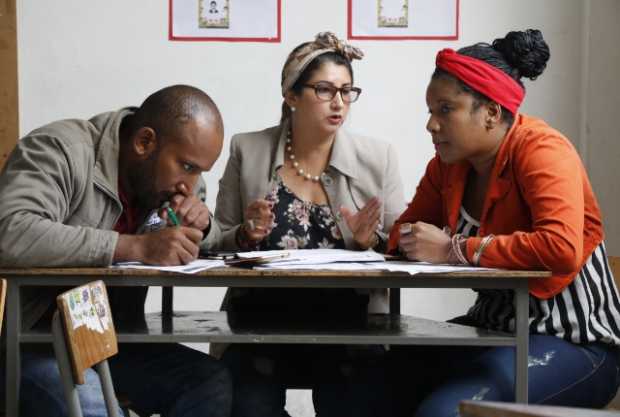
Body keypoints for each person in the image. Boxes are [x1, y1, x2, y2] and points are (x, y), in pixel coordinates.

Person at [387, 29, 620, 416]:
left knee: (443, 412)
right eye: (430, 111)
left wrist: (454, 249)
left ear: (491, 113)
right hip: (492, 333)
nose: (431, 124)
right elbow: (407, 230)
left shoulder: (543, 150)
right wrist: (383, 238)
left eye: (445, 110)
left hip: (575, 341)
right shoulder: (446, 167)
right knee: (359, 384)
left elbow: (560, 249)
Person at [0, 85, 232, 417]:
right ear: (144, 143)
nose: (191, 184)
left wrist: (203, 224)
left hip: (108, 340)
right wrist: (133, 246)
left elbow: (213, 238)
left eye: (199, 172)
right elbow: (10, 233)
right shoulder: (61, 149)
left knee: (210, 382)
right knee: (96, 406)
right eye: (187, 167)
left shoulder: (174, 183)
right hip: (31, 342)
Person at [212, 32, 404, 417]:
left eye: (347, 91)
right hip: (258, 323)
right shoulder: (246, 150)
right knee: (247, 406)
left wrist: (373, 242)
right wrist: (244, 234)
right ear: (291, 95)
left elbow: (403, 250)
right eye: (324, 90)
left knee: (359, 401)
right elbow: (215, 240)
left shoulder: (378, 157)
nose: (339, 103)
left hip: (352, 326)